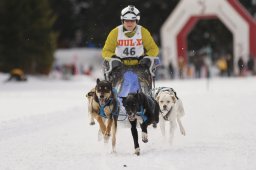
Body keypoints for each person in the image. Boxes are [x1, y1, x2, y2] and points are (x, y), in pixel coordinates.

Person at [102, 5, 159, 86]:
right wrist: (113, 57)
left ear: (137, 21)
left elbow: (154, 49)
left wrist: (146, 57)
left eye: (132, 21)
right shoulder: (115, 32)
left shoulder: (143, 32)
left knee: (143, 85)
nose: (129, 23)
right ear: (122, 20)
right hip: (120, 66)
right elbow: (106, 51)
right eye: (127, 21)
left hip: (139, 66)